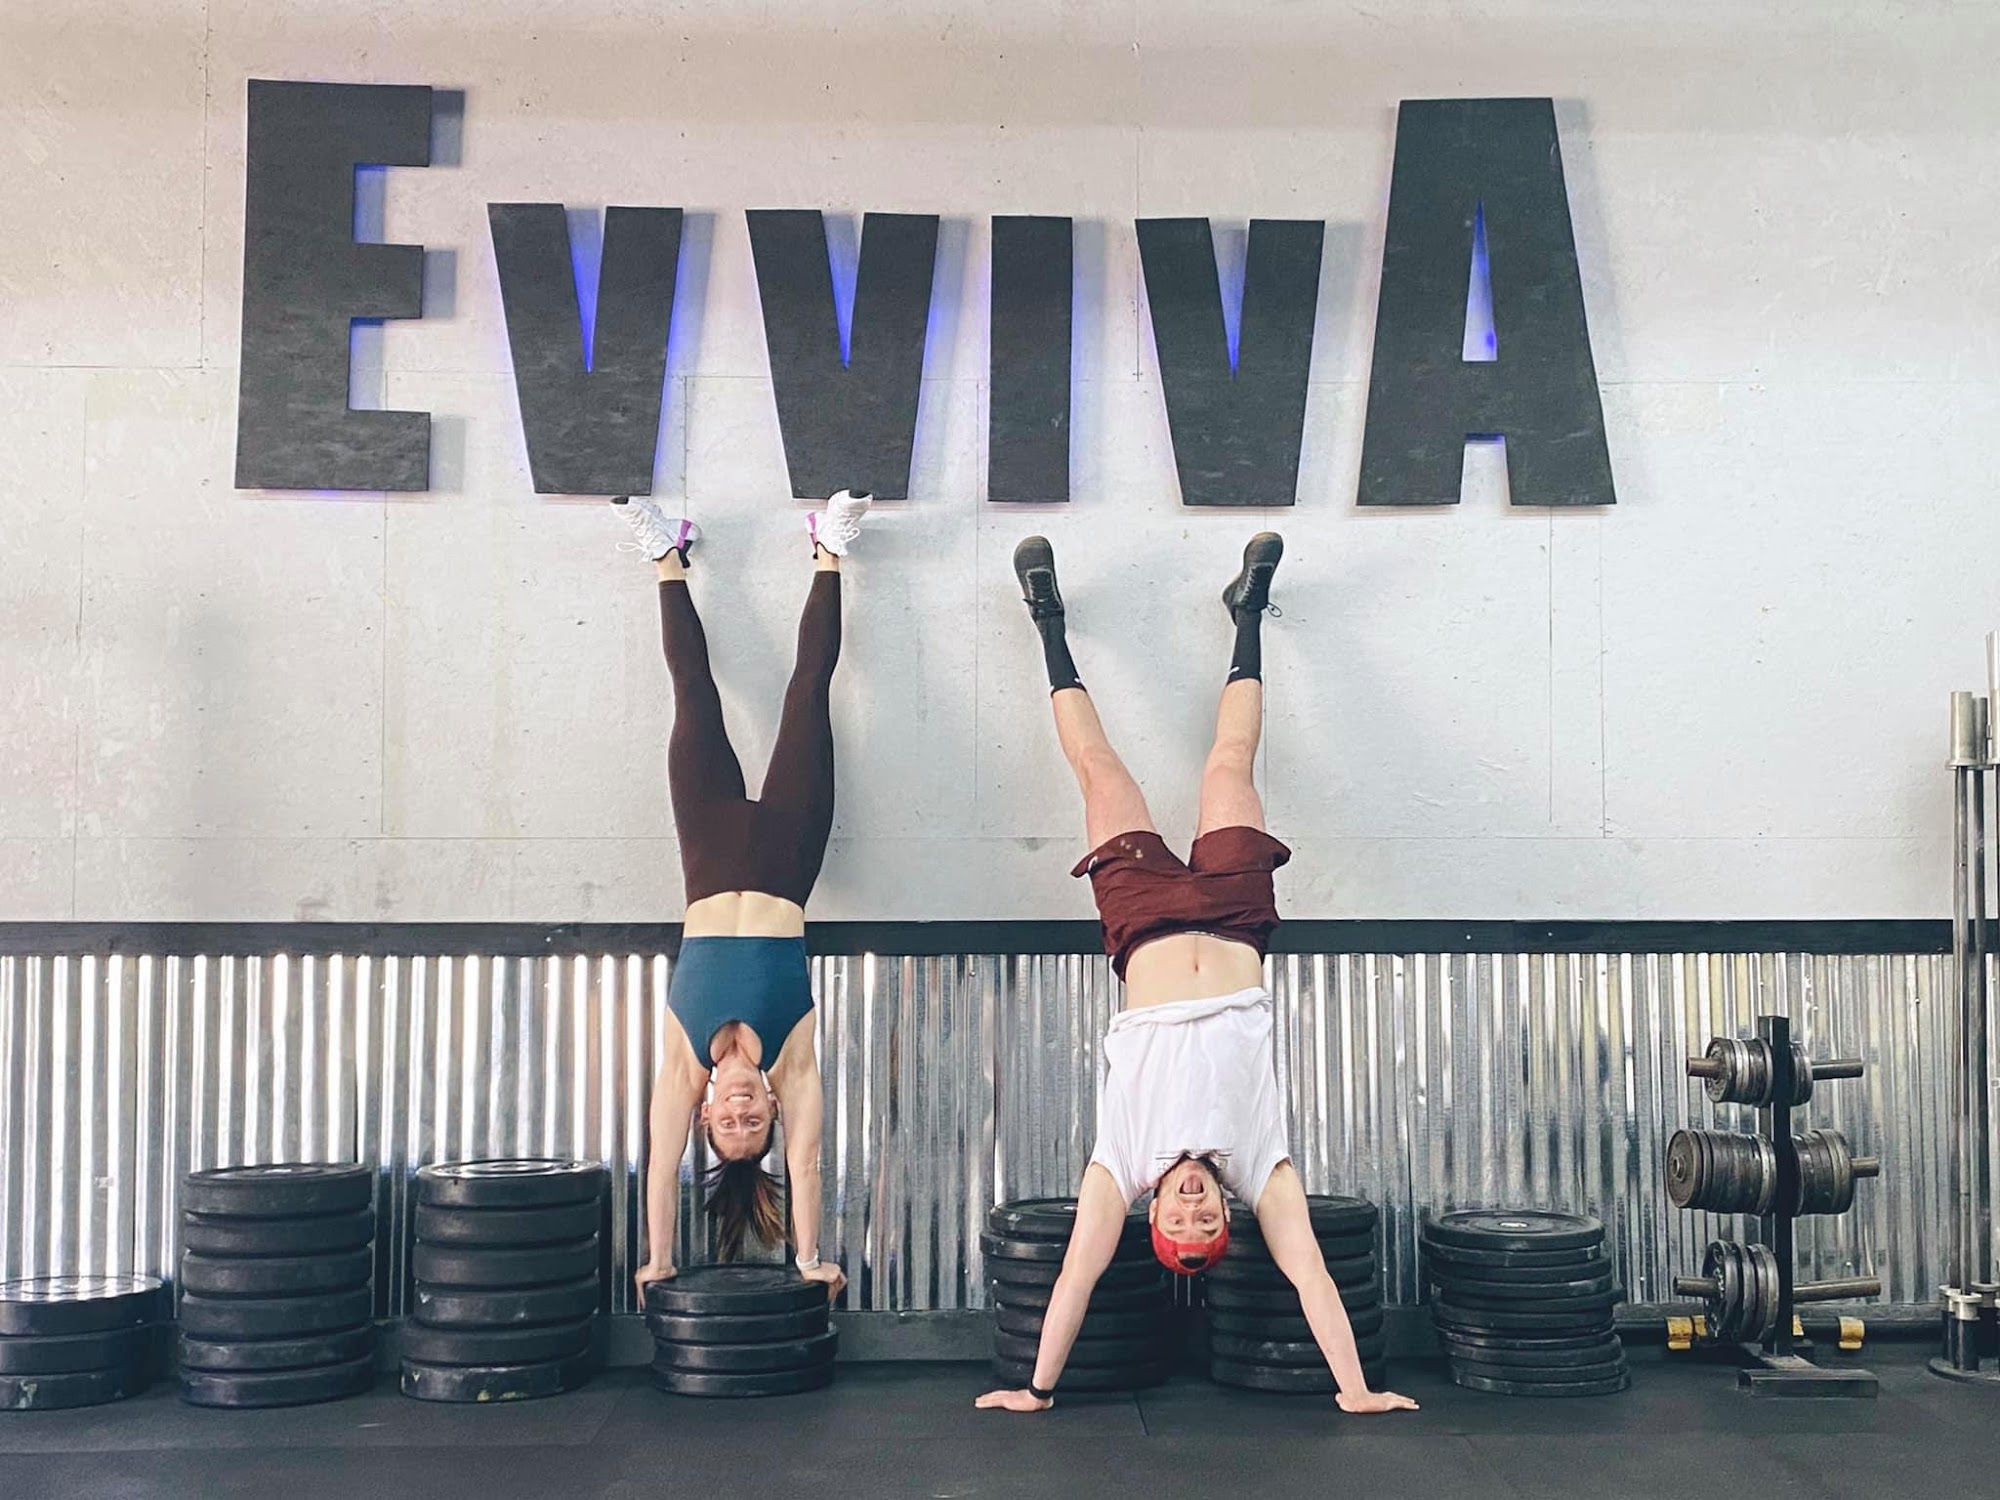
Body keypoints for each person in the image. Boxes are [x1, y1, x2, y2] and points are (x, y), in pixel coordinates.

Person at [976, 533, 1418, 1416]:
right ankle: (1248, 613)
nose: (1189, 1208)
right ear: (1224, 1213)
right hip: (1234, 914)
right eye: (1204, 1221)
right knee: (1229, 762)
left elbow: (1076, 1273)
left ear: (1156, 1217)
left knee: (1100, 770)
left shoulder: (1118, 1169)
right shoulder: (1262, 1169)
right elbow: (1311, 1275)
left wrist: (1036, 1388)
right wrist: (1357, 1390)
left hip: (1141, 918)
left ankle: (1047, 622)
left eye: (1178, 1221)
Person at [620, 489, 873, 1305]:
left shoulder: (681, 1064)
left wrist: (660, 1259)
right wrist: (808, 1258)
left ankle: (667, 556)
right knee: (808, 691)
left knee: (692, 694)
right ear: (769, 1110)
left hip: (707, 847)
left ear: (703, 1116)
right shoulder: (791, 1063)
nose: (739, 1113)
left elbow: (659, 1167)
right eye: (751, 1123)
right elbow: (807, 1162)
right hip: (788, 853)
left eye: (726, 1124)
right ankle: (829, 549)